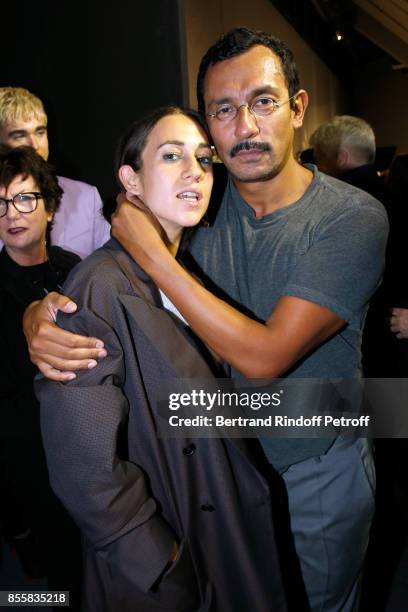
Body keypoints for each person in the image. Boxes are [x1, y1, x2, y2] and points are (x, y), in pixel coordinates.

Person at [23, 28, 388, 611]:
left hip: (313, 465)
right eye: (223, 109)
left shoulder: (350, 218)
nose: (243, 126)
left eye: (263, 101)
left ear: (297, 108)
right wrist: (39, 311)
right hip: (224, 469)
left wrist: (151, 256)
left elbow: (265, 358)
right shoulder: (202, 205)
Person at [35, 106, 288, 612]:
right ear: (130, 179)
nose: (195, 170)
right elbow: (84, 469)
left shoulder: (181, 272)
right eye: (171, 156)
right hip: (164, 561)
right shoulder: (100, 283)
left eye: (203, 158)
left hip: (213, 525)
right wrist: (160, 563)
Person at [0, 145, 81, 603]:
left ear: (49, 208)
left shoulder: (78, 271)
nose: (12, 214)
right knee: (60, 566)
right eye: (0, 203)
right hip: (29, 450)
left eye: (25, 199)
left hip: (86, 441)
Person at [0, 87, 110, 258]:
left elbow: (111, 266)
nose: (35, 145)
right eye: (19, 135)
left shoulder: (86, 197)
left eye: (40, 132)